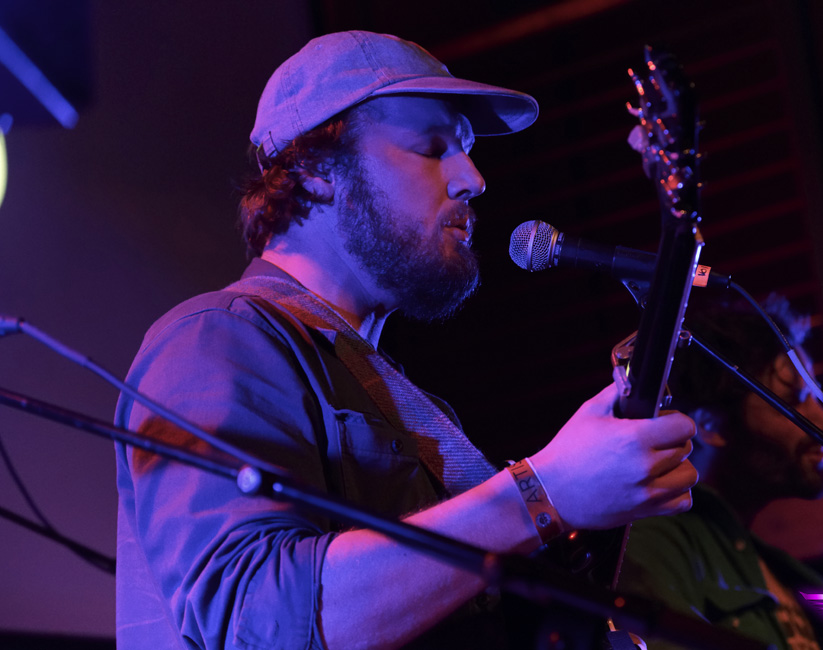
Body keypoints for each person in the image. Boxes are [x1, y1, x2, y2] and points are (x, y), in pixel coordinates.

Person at [114, 31, 699, 650]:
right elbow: (256, 623)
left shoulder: (401, 397)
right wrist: (540, 493)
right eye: (432, 147)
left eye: (469, 150)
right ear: (315, 170)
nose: (473, 178)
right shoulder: (217, 338)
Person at [617, 294, 823, 650]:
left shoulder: (770, 565)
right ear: (712, 426)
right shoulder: (649, 537)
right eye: (795, 401)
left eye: (819, 399)